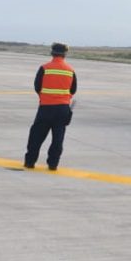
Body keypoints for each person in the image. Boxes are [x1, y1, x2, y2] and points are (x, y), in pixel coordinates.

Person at [24, 43, 78, 171]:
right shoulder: (70, 70)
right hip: (63, 109)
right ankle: (53, 164)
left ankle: (30, 162)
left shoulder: (45, 68)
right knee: (58, 138)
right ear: (65, 54)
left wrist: (45, 97)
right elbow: (73, 89)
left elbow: (37, 86)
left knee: (36, 136)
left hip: (46, 108)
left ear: (52, 53)